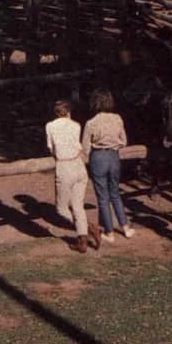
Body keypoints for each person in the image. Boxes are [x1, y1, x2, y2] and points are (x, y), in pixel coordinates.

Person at [82, 88, 133, 243]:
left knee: (103, 197)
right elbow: (124, 141)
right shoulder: (117, 118)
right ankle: (125, 227)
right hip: (114, 157)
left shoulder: (91, 123)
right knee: (115, 192)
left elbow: (85, 147)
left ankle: (109, 232)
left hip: (98, 157)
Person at [46, 100, 98, 253]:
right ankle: (83, 240)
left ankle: (89, 228)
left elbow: (51, 148)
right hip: (79, 165)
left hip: (64, 166)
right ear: (69, 112)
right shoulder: (76, 125)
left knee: (62, 208)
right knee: (77, 206)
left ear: (55, 113)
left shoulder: (50, 126)